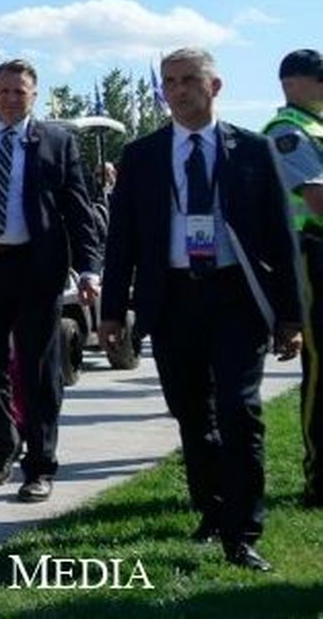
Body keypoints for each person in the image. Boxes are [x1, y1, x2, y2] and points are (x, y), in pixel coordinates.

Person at [99, 47, 303, 572]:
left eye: (189, 79)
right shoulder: (142, 155)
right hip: (172, 298)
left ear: (215, 87)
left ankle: (244, 531)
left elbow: (281, 238)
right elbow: (121, 239)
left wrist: (291, 316)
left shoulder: (253, 150)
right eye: (170, 81)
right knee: (192, 411)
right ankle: (212, 512)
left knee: (239, 409)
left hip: (236, 296)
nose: (178, 90)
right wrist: (112, 310)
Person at [0, 60, 103, 503]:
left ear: (34, 95)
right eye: (4, 91)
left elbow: (78, 211)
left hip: (36, 269)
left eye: (19, 91)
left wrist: (89, 268)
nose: (11, 98)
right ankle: (4, 439)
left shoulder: (56, 142)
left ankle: (40, 465)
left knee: (38, 370)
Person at [260, 48, 323, 507]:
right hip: (311, 253)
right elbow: (316, 199)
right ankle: (320, 477)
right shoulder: (287, 132)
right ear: (292, 83)